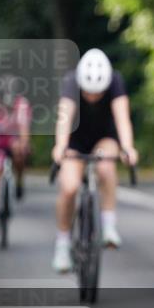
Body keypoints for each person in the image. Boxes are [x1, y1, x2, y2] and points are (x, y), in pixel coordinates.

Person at [50, 48, 139, 272]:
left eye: (98, 93)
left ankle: (108, 225)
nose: (92, 97)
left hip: (104, 137)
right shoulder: (71, 82)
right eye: (88, 93)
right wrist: (60, 146)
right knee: (69, 187)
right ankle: (62, 244)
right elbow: (64, 117)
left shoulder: (115, 81)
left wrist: (128, 147)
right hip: (75, 140)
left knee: (106, 166)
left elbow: (122, 118)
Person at [0, 77, 31, 234]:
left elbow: (24, 132)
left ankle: (19, 181)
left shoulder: (22, 105)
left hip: (13, 140)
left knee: (21, 153)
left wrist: (23, 144)